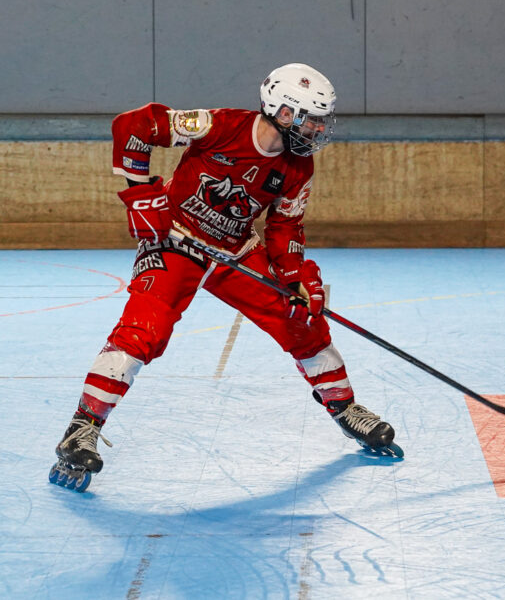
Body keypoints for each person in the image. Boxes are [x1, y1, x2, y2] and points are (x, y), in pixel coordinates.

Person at [50, 63, 401, 492]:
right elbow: (134, 126)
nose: (316, 130)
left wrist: (296, 277)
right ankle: (82, 427)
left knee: (301, 320)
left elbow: (285, 227)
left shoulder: (297, 168)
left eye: (320, 121)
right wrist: (140, 193)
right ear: (284, 112)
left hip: (235, 251)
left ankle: (345, 409)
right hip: (175, 243)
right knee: (145, 328)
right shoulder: (218, 126)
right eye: (310, 119)